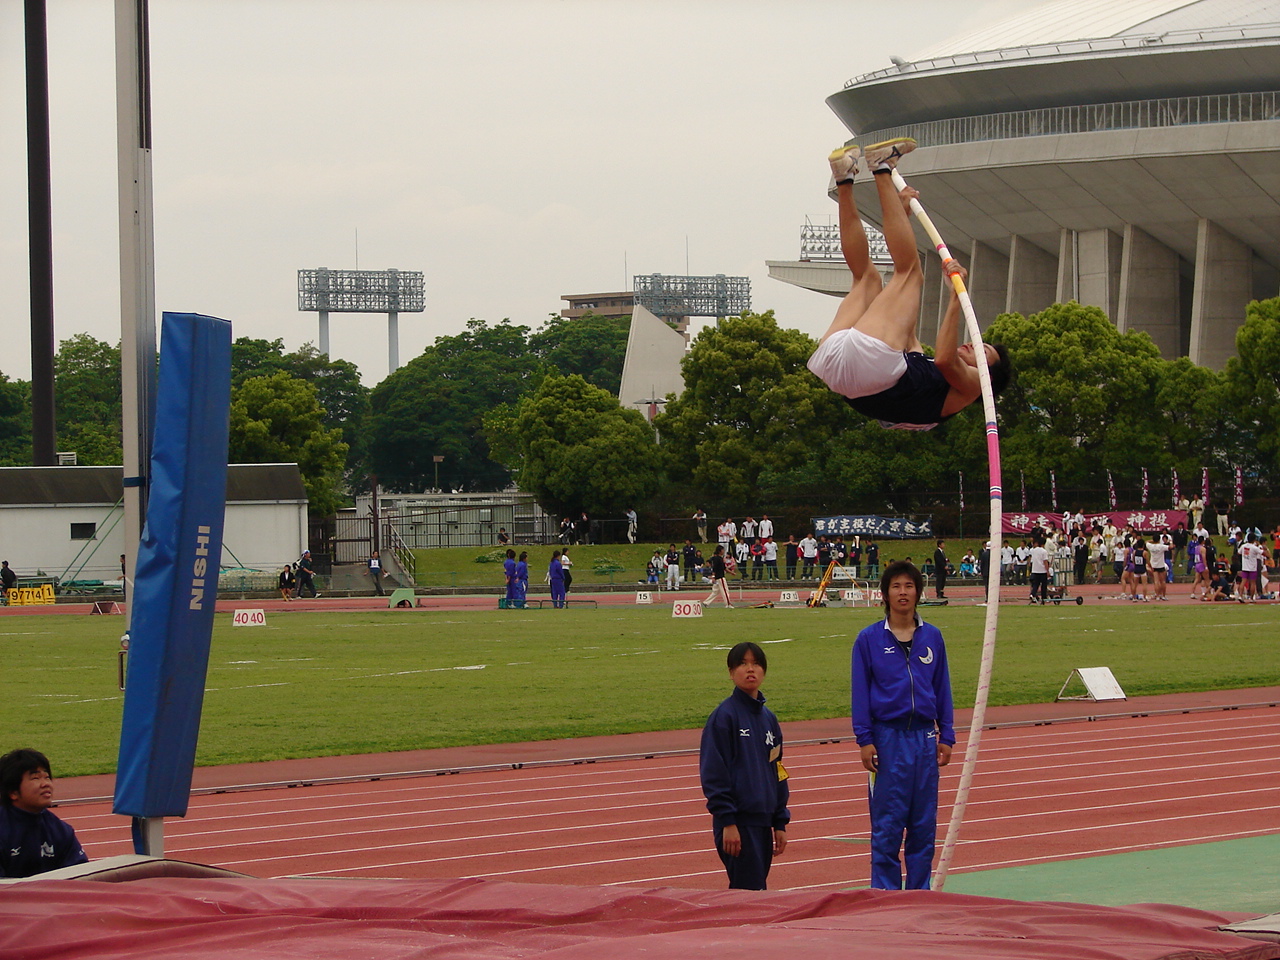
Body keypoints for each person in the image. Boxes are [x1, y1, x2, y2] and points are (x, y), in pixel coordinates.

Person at [807, 140, 1012, 431]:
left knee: (912, 274)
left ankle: (881, 166)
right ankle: (844, 178)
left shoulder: (973, 387)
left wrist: (956, 297)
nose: (973, 344)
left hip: (869, 371)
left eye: (983, 351)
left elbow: (945, 360)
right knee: (867, 279)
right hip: (841, 372)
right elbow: (903, 316)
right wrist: (900, 215)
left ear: (989, 375)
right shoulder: (919, 368)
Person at [851, 561, 954, 890]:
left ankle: (920, 895)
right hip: (887, 741)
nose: (903, 592)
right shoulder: (868, 639)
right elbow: (860, 692)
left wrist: (947, 734)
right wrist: (865, 739)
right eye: (896, 586)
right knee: (887, 827)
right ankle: (885, 896)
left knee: (923, 826)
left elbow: (942, 688)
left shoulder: (932, 637)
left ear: (918, 592)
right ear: (885, 594)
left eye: (909, 586)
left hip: (924, 739)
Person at [699, 641, 790, 890]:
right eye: (742, 664)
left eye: (756, 664)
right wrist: (727, 821)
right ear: (731, 672)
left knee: (755, 891)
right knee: (748, 892)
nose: (750, 669)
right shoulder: (724, 717)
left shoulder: (769, 719)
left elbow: (778, 771)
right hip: (738, 824)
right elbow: (714, 773)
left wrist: (780, 822)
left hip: (764, 822)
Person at [1, 748, 88, 878]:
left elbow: (80, 875)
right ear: (13, 792)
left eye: (47, 777)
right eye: (35, 778)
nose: (45, 784)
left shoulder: (60, 830)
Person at [1029, 537, 1050, 604]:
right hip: (1042, 570)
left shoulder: (1034, 550)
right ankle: (1043, 599)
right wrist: (1047, 571)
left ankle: (1032, 594)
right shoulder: (1044, 551)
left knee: (1035, 584)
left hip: (1035, 570)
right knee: (1043, 586)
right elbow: (1045, 561)